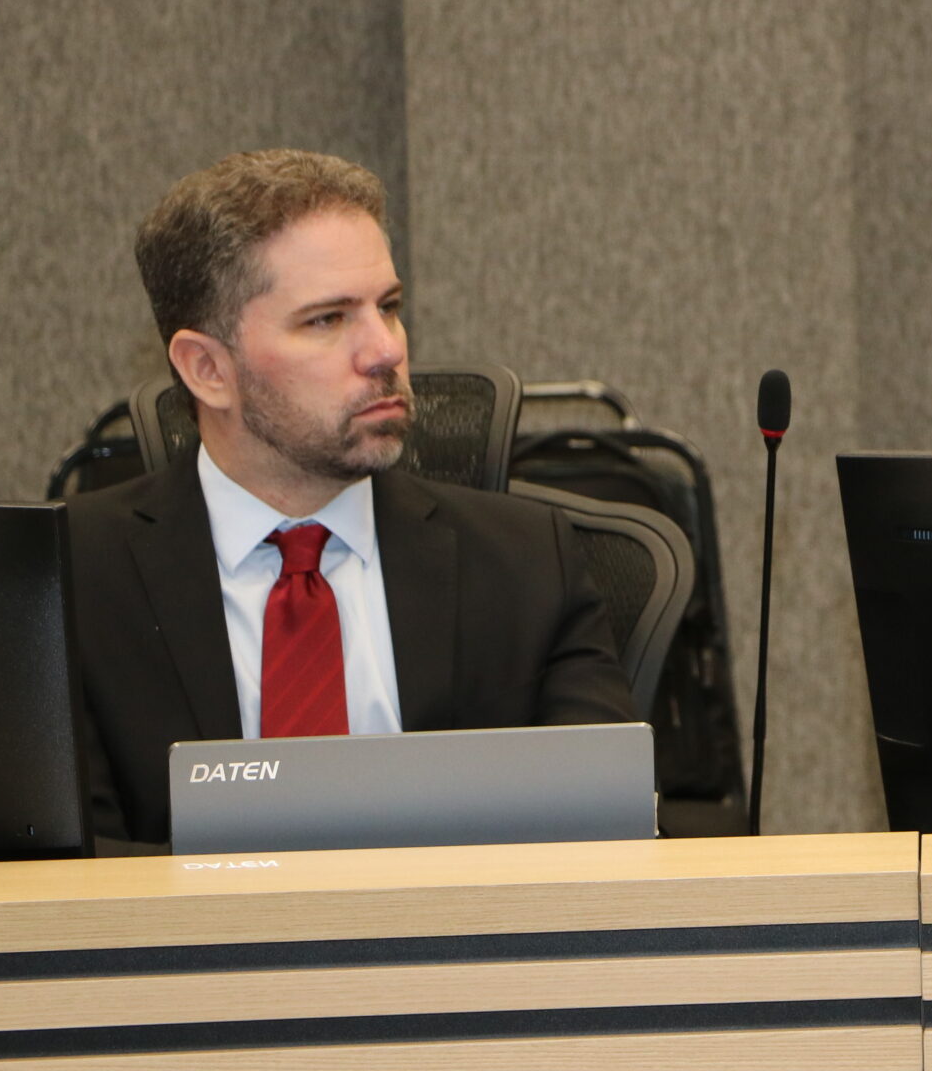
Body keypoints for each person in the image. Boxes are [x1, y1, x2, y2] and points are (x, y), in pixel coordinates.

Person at [70, 150, 634, 843]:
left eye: (389, 307)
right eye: (327, 320)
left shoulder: (527, 565)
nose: (385, 350)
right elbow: (64, 884)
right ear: (208, 369)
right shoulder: (67, 580)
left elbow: (603, 843)